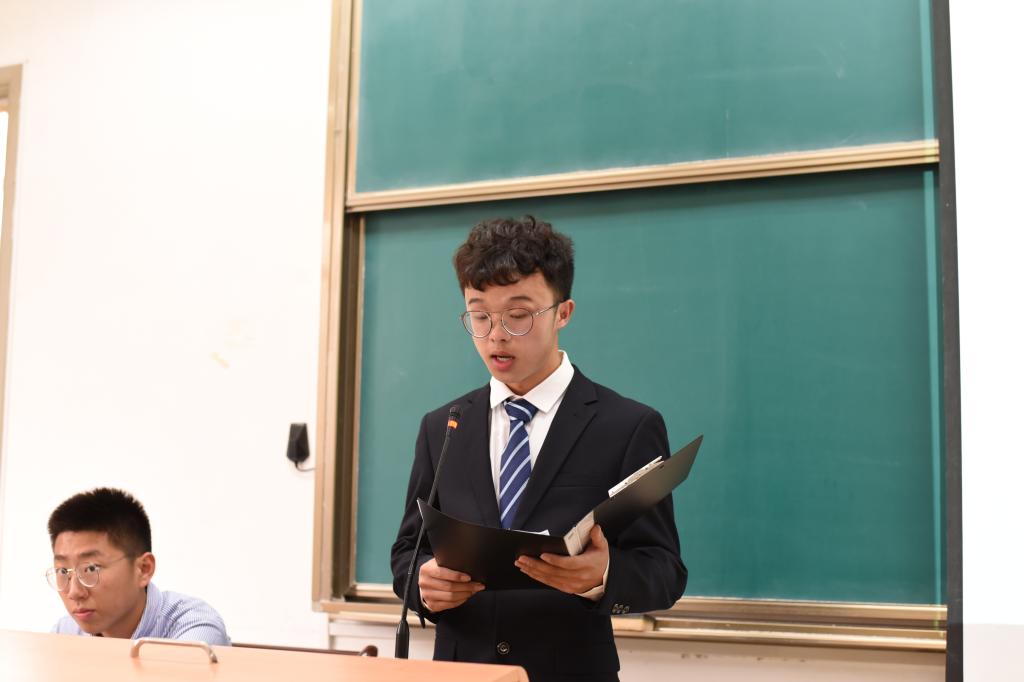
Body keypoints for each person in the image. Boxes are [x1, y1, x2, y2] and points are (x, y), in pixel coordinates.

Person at [391, 216, 686, 682]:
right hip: (461, 672)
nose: (496, 334)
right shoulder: (443, 426)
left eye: (518, 315)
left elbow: (664, 571)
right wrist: (424, 584)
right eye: (479, 316)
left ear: (562, 313)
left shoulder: (627, 426)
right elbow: (408, 552)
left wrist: (602, 574)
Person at [47, 487, 230, 645]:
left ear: (144, 569)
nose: (74, 592)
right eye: (62, 571)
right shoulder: (66, 632)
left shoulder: (194, 627)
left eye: (91, 569)